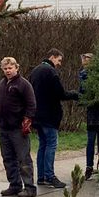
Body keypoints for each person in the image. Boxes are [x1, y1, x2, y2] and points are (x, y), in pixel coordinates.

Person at [0, 57, 37, 197]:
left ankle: (30, 187)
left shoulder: (24, 84)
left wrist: (27, 120)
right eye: (5, 68)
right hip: (4, 127)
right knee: (8, 158)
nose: (8, 71)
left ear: (16, 68)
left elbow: (31, 104)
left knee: (23, 158)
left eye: (10, 68)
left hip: (18, 128)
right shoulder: (2, 83)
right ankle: (14, 185)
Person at [27, 48, 78, 188]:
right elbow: (60, 93)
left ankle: (41, 176)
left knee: (42, 145)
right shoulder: (51, 72)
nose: (60, 63)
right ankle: (50, 176)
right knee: (51, 145)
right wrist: (75, 94)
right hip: (50, 116)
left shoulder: (35, 71)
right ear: (52, 57)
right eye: (59, 60)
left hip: (37, 115)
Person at [77, 53, 99, 180]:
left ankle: (89, 167)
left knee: (91, 141)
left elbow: (82, 93)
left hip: (92, 113)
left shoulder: (83, 75)